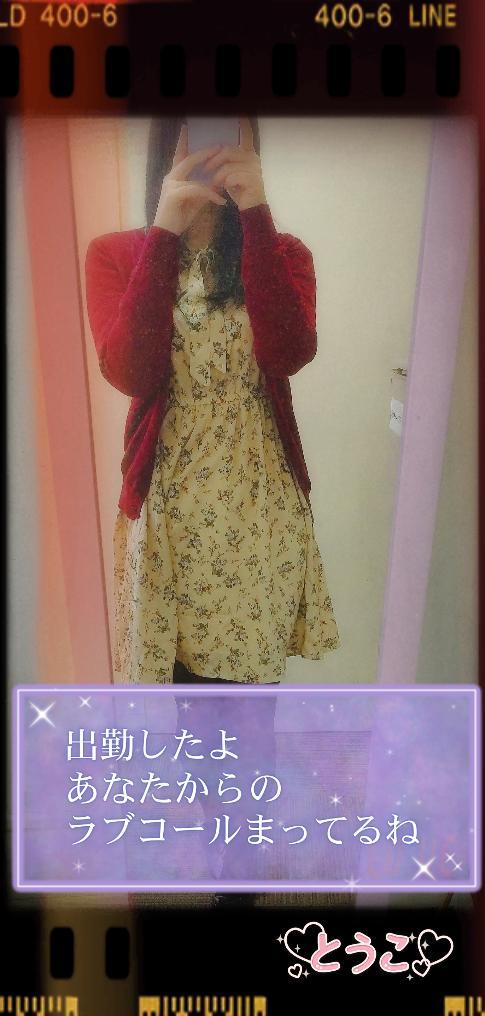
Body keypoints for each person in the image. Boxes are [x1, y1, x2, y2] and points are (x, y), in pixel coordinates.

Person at [85, 116, 340, 686]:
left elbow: (289, 354)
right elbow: (130, 371)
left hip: (259, 511)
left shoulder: (284, 253)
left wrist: (255, 214)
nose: (217, 144)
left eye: (230, 125)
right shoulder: (116, 255)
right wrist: (165, 231)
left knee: (248, 708)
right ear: (168, 137)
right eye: (199, 124)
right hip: (167, 514)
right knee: (173, 701)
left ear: (252, 138)